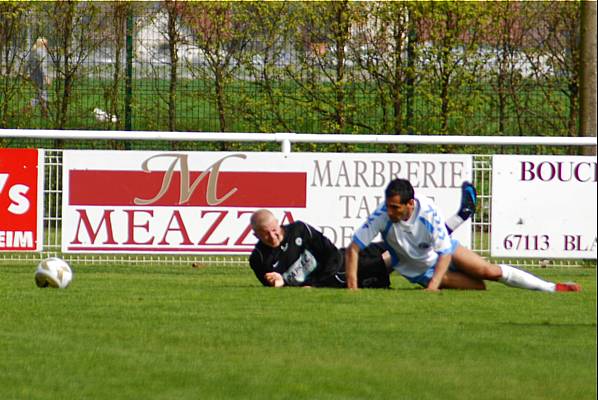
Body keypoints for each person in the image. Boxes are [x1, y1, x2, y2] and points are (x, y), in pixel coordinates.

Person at [344, 178, 581, 292]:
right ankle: (462, 214)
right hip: (419, 270)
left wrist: (433, 287)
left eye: (395, 207)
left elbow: (445, 252)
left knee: (489, 271)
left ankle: (552, 288)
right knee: (479, 288)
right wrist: (352, 289)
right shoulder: (381, 216)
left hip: (442, 255)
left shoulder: (427, 210)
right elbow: (354, 248)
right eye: (388, 206)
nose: (390, 211)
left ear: (410, 204)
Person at [249, 182, 478, 289]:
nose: (273, 235)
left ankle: (459, 219)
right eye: (266, 234)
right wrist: (278, 283)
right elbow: (274, 283)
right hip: (335, 278)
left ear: (279, 223)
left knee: (396, 253)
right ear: (256, 234)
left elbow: (328, 251)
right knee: (402, 252)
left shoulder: (299, 229)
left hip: (340, 266)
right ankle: (456, 230)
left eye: (275, 229)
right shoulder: (258, 259)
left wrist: (316, 283)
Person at [27, 37, 51, 117]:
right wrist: (46, 77)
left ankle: (44, 113)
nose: (47, 45)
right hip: (40, 76)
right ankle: (29, 107)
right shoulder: (42, 52)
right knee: (42, 95)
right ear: (43, 44)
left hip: (34, 75)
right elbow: (42, 66)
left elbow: (28, 64)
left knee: (41, 94)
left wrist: (27, 74)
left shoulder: (33, 51)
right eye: (46, 44)